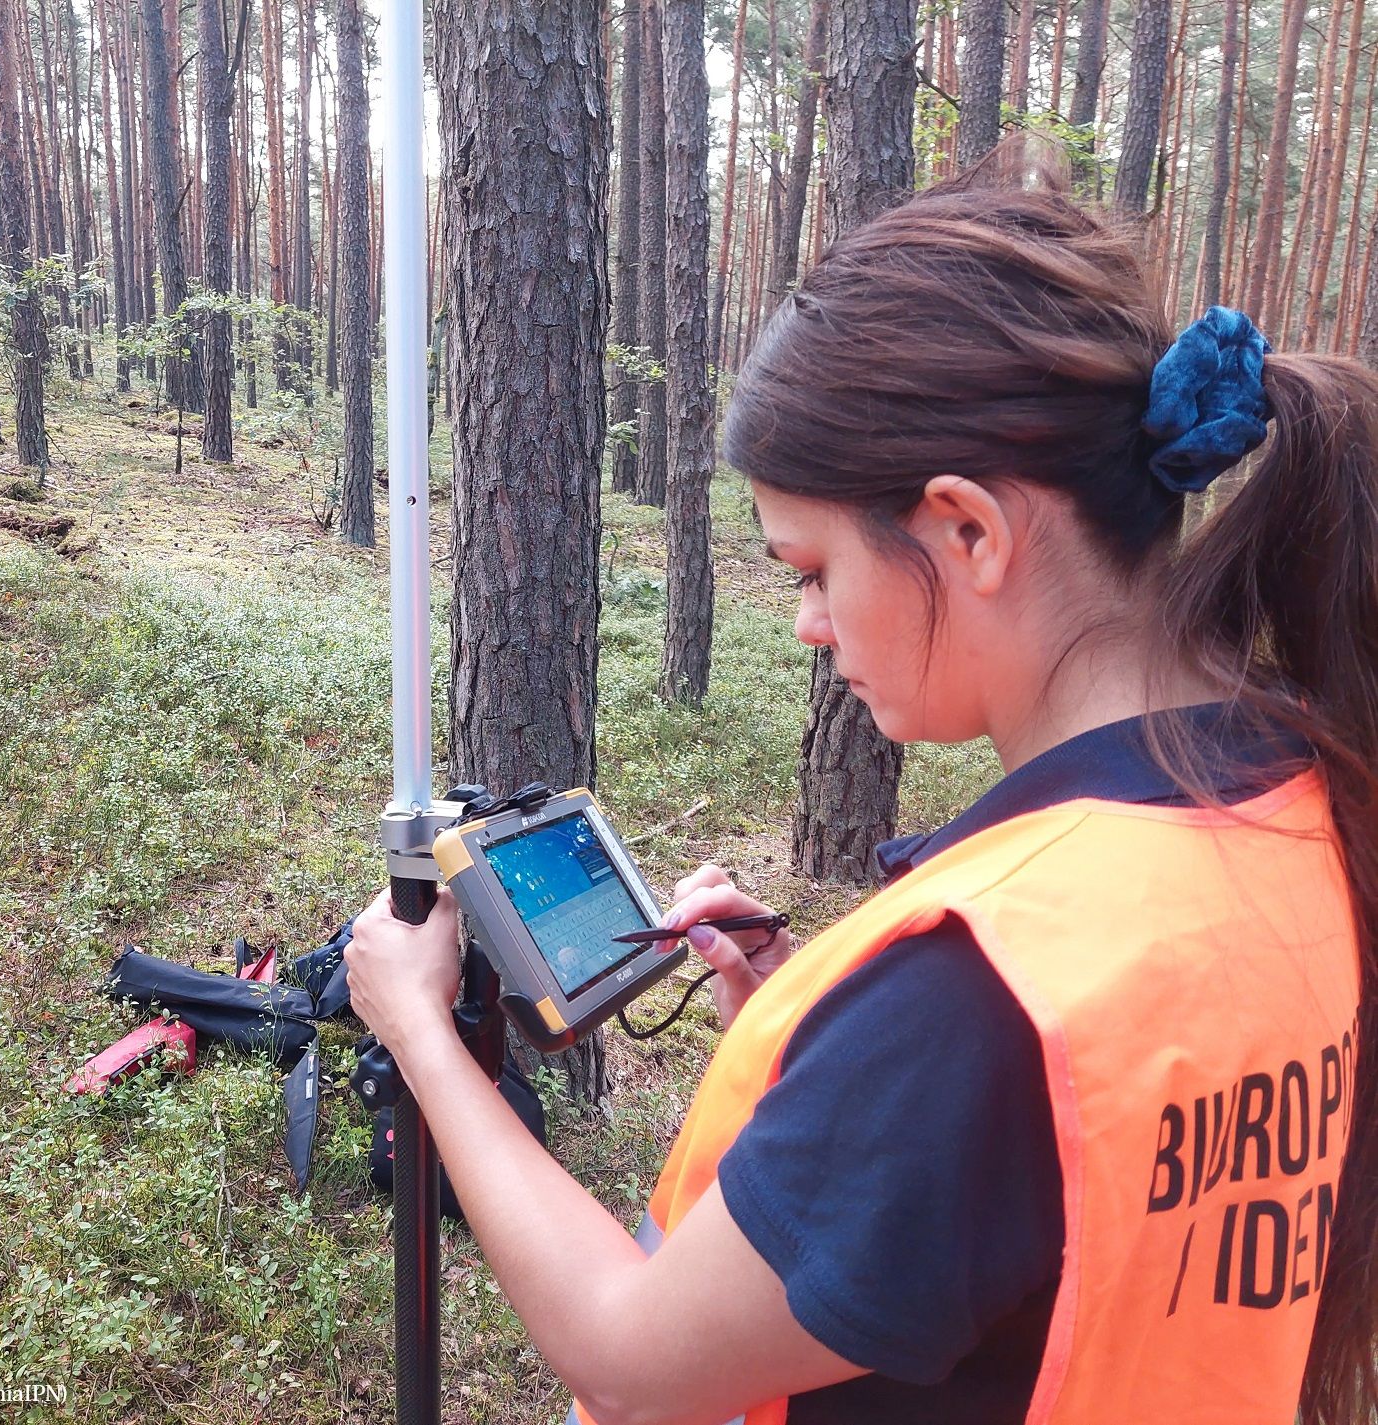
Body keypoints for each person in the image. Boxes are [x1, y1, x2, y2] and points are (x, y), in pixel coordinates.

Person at [345, 149, 1377, 1425]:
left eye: (813, 568)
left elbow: (627, 1360)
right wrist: (830, 1038)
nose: (809, 625)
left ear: (968, 530)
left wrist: (420, 1034)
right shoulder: (1303, 805)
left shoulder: (972, 994)